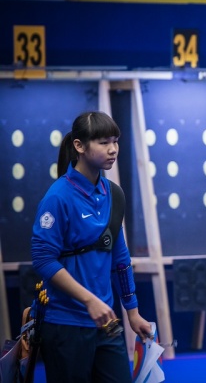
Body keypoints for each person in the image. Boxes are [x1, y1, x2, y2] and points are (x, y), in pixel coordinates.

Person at [31, 111, 151, 382]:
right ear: (79, 146)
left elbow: (120, 258)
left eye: (115, 141)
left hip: (107, 323)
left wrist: (132, 312)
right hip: (66, 324)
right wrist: (89, 300)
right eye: (103, 142)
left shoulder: (113, 193)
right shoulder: (57, 198)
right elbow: (43, 260)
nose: (112, 149)